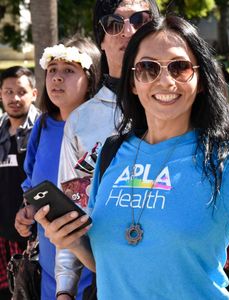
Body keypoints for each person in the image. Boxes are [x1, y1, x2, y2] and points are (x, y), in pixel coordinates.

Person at [34, 15, 229, 299]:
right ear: (134, 82)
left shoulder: (224, 160)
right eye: (148, 68)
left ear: (200, 81)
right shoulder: (111, 154)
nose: (165, 80)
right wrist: (74, 243)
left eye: (180, 67)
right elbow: (110, 264)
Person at [55, 0, 160, 298]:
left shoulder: (183, 105)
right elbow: (70, 207)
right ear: (100, 40)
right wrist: (65, 288)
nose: (128, 31)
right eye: (114, 24)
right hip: (110, 279)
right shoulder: (81, 121)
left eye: (140, 19)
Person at [14, 36, 101, 300]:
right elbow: (32, 182)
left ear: (90, 79)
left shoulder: (106, 131)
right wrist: (26, 210)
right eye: (52, 70)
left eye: (68, 71)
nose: (56, 78)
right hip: (50, 264)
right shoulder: (42, 126)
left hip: (93, 265)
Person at [0, 66, 39, 300]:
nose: (14, 98)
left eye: (21, 91)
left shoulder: (44, 129)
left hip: (32, 236)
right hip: (2, 235)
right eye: (8, 91)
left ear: (34, 94)